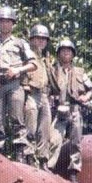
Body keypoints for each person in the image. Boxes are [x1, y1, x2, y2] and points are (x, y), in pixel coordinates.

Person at [0, 6, 36, 160]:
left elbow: (33, 64)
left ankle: (20, 153)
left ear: (13, 24)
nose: (4, 24)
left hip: (14, 83)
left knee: (17, 119)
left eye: (7, 21)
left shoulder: (20, 42)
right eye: (1, 21)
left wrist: (17, 70)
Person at [50, 39, 92, 183]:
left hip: (75, 109)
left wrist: (85, 98)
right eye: (63, 51)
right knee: (55, 139)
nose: (66, 53)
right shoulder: (53, 70)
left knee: (76, 142)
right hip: (59, 109)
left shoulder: (80, 72)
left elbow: (91, 89)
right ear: (58, 54)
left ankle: (74, 171)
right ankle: (49, 167)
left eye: (69, 51)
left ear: (73, 54)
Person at [23, 24, 57, 167]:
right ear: (31, 40)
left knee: (45, 130)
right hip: (31, 92)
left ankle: (43, 159)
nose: (41, 42)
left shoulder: (46, 59)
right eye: (38, 38)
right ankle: (29, 156)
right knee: (30, 127)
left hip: (44, 95)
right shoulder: (27, 55)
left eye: (44, 39)